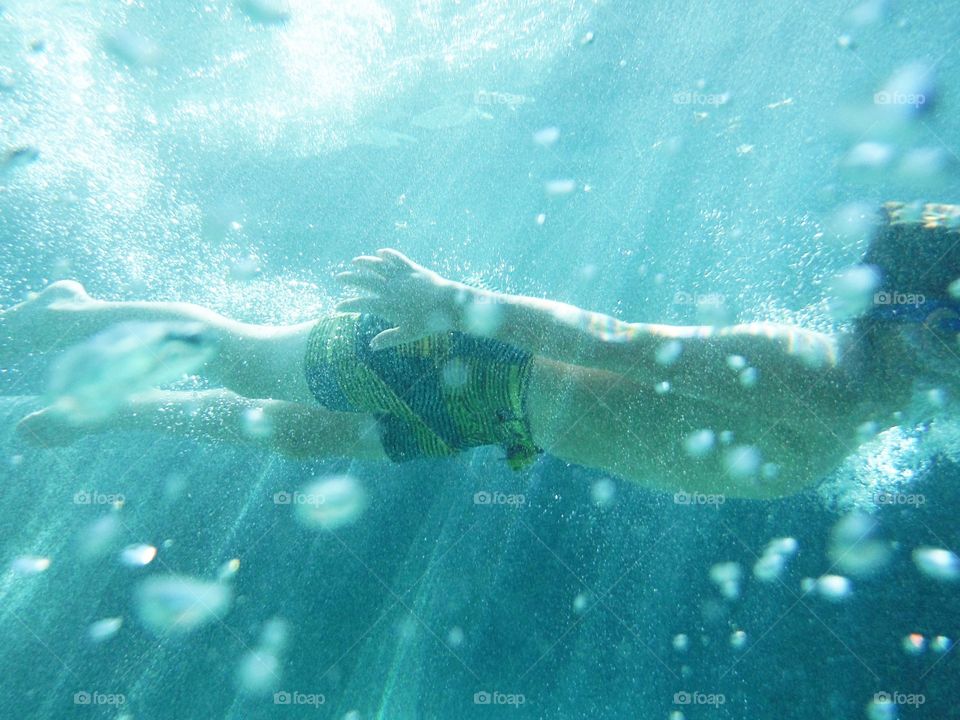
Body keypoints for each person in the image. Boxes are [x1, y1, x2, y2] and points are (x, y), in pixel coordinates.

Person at [2, 201, 958, 500]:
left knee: (294, 434)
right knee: (244, 358)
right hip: (470, 360)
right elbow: (615, 341)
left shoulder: (877, 412)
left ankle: (117, 407)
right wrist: (450, 303)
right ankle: (70, 312)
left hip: (495, 416)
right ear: (897, 320)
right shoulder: (808, 372)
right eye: (953, 330)